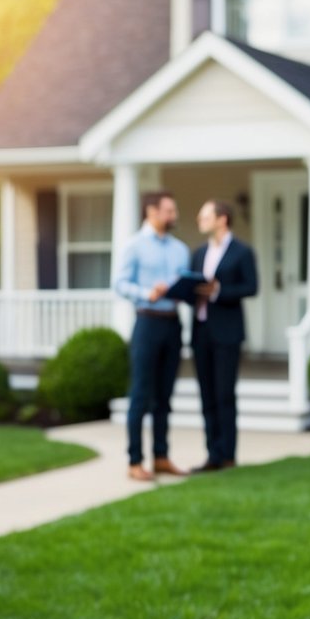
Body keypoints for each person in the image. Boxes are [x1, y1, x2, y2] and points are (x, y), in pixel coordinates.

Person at [113, 190, 190, 481]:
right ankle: (135, 461)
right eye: (169, 211)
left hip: (173, 324)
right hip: (146, 323)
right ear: (152, 212)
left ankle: (161, 456)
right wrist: (148, 293)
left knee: (164, 397)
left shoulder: (180, 249)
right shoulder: (134, 246)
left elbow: (183, 281)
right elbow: (119, 284)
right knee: (141, 395)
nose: (174, 216)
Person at [190, 199, 258, 472]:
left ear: (222, 219)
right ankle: (212, 455)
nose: (200, 221)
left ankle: (228, 455)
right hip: (201, 331)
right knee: (206, 395)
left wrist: (218, 291)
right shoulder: (199, 253)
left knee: (224, 394)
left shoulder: (242, 252)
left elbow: (251, 287)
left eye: (205, 216)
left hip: (227, 333)